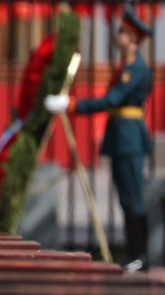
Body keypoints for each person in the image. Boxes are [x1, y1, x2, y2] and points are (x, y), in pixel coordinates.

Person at [44, 6, 153, 272]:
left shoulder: (135, 68)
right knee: (126, 197)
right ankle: (134, 253)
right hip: (121, 136)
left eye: (122, 33)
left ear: (133, 39)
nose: (117, 37)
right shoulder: (126, 65)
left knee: (133, 197)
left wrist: (70, 104)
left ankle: (141, 255)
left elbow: (112, 100)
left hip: (129, 138)